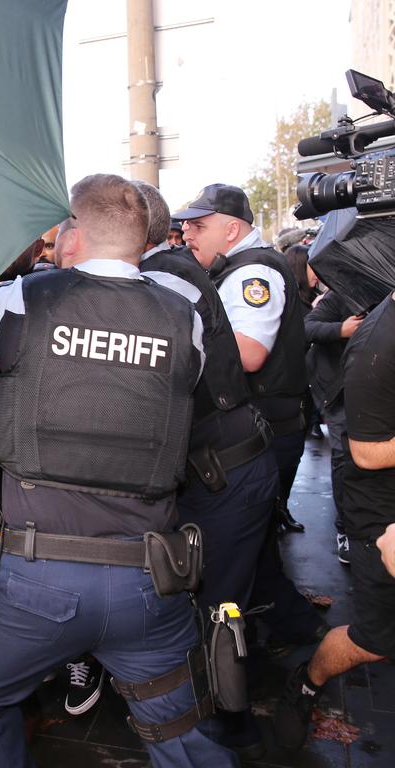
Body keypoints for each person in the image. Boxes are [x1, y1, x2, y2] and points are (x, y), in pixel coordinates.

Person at [0, 173, 236, 768]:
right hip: (149, 577)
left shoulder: (22, 300)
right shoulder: (185, 316)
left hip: (36, 581)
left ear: (74, 233)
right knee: (181, 733)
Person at [135, 180, 275, 757]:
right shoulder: (170, 272)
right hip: (219, 468)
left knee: (221, 603)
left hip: (227, 471)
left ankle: (235, 722)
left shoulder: (166, 279)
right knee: (215, 596)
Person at [174, 183, 326, 647]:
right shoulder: (242, 266)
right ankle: (293, 626)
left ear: (232, 228)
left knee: (237, 549)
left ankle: (235, 653)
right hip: (264, 429)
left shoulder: (251, 273)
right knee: (253, 548)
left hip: (262, 432)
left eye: (199, 226)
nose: (187, 234)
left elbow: (249, 353)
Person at [273, 289, 395, 751]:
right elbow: (366, 452)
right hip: (380, 517)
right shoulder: (377, 345)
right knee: (376, 640)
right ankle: (307, 680)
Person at [304, 289, 363, 564]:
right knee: (345, 457)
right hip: (336, 388)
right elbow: (308, 327)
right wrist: (343, 329)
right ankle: (346, 531)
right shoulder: (343, 292)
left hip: (371, 386)